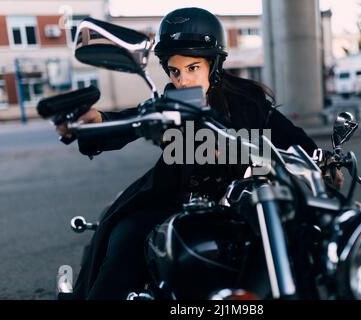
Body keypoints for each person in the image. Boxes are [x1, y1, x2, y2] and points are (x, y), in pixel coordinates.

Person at [57, 7, 343, 299]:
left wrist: (325, 162)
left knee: (309, 244)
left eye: (193, 68)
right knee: (123, 250)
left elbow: (294, 140)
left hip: (245, 206)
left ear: (213, 65)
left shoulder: (248, 102)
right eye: (175, 71)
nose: (183, 80)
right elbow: (128, 122)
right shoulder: (167, 105)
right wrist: (97, 123)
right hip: (169, 203)